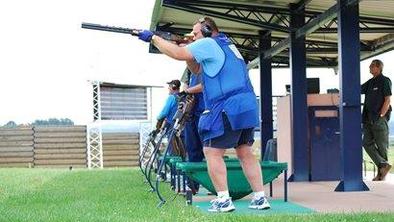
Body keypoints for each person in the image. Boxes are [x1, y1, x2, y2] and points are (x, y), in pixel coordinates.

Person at [138, 17, 270, 212]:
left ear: (208, 31)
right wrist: (190, 53)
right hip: (246, 104)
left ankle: (224, 199)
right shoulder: (227, 44)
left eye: (196, 33)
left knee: (211, 152)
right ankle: (260, 197)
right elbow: (199, 68)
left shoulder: (208, 43)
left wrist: (154, 39)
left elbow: (177, 53)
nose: (193, 37)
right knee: (244, 152)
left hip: (227, 105)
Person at [361, 59, 392, 181]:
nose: (369, 67)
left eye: (372, 65)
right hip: (368, 119)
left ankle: (381, 175)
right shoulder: (370, 82)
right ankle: (383, 165)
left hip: (379, 119)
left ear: (379, 67)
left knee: (381, 146)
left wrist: (381, 115)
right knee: (366, 143)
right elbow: (357, 89)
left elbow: (387, 99)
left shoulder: (385, 81)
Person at [182, 68, 205, 193]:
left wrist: (187, 90)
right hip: (191, 112)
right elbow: (185, 82)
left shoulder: (208, 63)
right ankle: (191, 184)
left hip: (206, 111)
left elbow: (206, 85)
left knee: (210, 150)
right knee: (192, 149)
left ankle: (214, 186)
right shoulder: (188, 69)